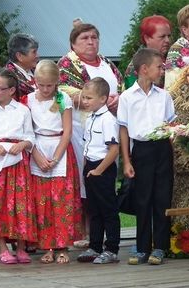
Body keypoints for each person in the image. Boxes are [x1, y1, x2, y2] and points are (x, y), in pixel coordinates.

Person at [58, 22, 124, 247]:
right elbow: (64, 90)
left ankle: (104, 233)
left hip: (108, 125)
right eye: (84, 38)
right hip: (80, 129)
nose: (90, 42)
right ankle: (85, 229)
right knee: (85, 177)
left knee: (105, 176)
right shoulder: (67, 63)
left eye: (94, 37)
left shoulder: (106, 63)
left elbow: (119, 85)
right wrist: (93, 100)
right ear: (73, 43)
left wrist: (116, 100)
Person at [118, 48, 175, 265]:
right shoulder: (127, 97)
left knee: (162, 197)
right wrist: (127, 160)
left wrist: (172, 155)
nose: (162, 71)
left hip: (162, 148)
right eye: (159, 67)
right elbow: (123, 129)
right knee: (142, 199)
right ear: (144, 69)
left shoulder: (164, 96)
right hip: (141, 150)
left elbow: (170, 126)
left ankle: (160, 246)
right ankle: (142, 247)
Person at [0, 68, 37, 264]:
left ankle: (20, 246)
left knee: (20, 203)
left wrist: (22, 144)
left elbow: (30, 137)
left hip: (17, 163)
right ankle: (2, 247)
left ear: (11, 91)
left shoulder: (22, 110)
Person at [27, 60, 83, 264]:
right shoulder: (29, 100)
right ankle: (46, 245)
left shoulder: (62, 99)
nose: (44, 89)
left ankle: (62, 245)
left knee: (61, 199)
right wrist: (37, 156)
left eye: (49, 85)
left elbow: (67, 130)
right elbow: (27, 131)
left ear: (56, 82)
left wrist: (57, 156)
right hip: (38, 147)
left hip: (59, 149)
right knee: (41, 201)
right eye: (40, 85)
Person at [76, 77, 120, 264]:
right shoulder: (91, 118)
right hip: (91, 167)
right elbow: (87, 146)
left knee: (107, 209)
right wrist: (86, 169)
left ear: (102, 99)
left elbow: (114, 149)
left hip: (103, 167)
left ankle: (111, 249)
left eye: (89, 98)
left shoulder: (108, 120)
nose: (85, 101)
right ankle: (95, 246)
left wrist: (100, 171)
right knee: (93, 209)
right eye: (84, 97)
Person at [124, 15, 172, 89]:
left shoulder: (172, 58)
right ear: (147, 38)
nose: (167, 40)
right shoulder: (136, 66)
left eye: (168, 36)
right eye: (162, 37)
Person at [5, 33, 39, 101]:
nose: (37, 55)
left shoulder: (38, 71)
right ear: (19, 56)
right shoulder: (7, 77)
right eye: (34, 52)